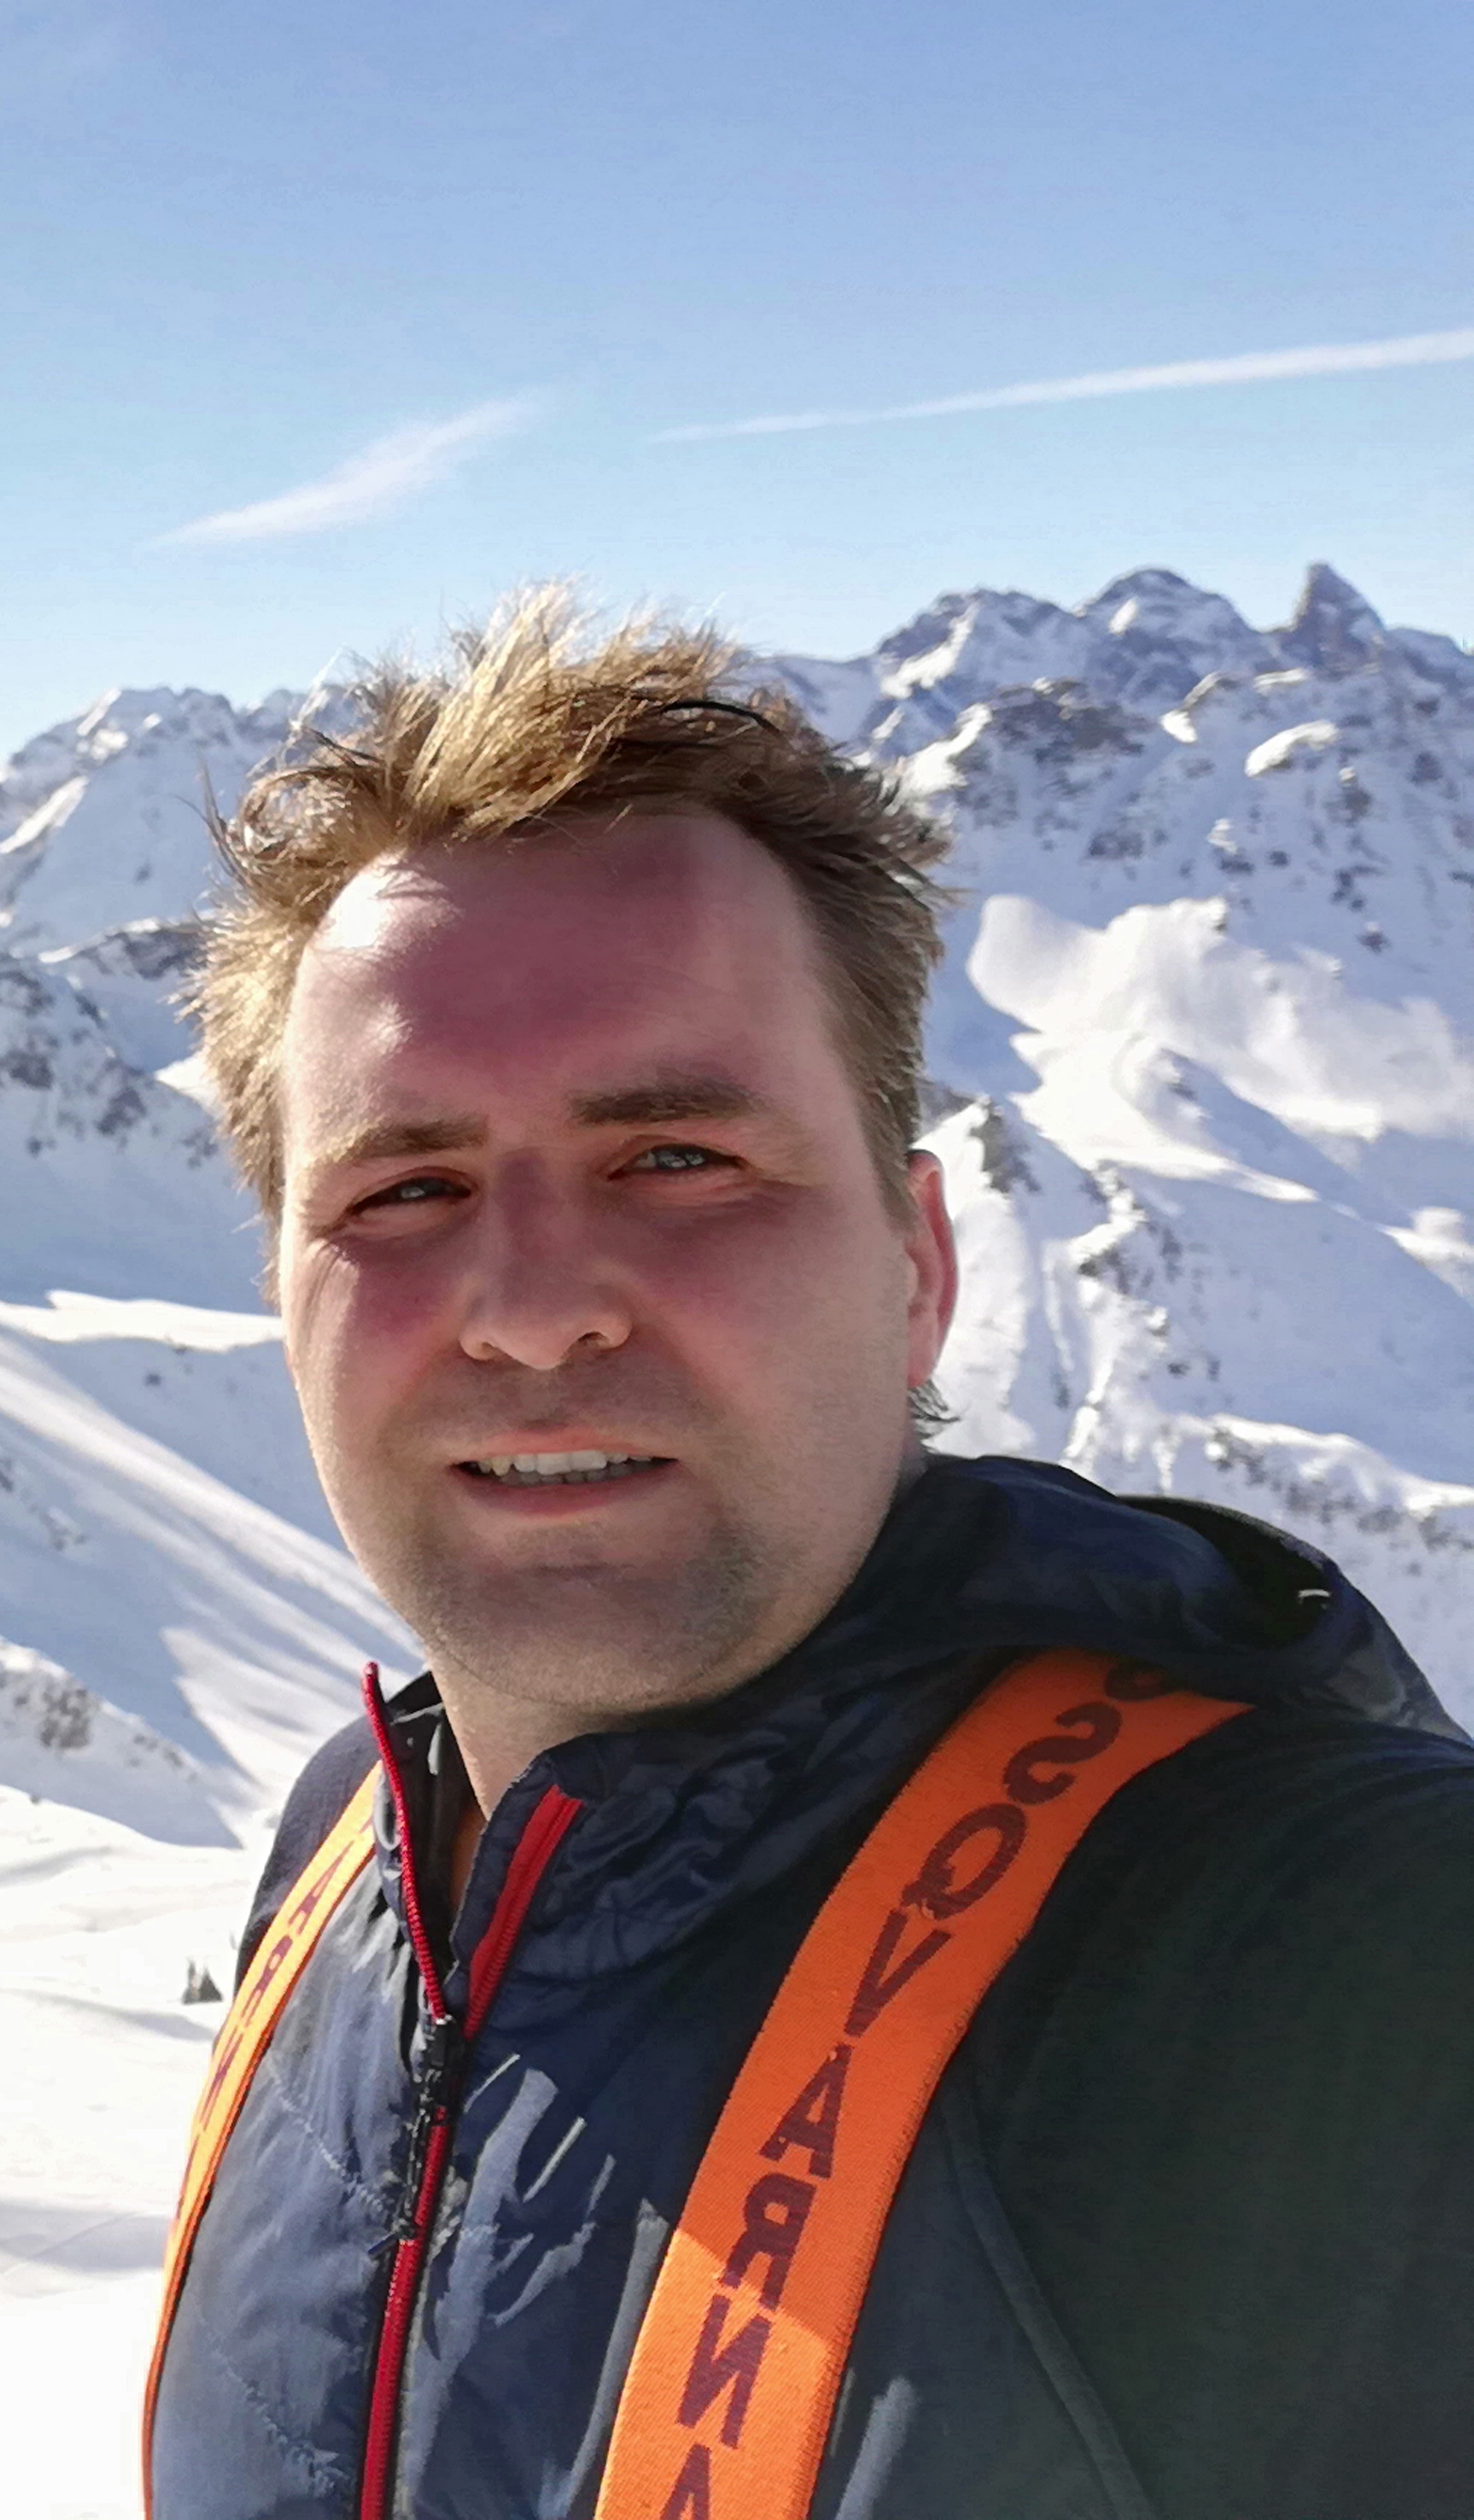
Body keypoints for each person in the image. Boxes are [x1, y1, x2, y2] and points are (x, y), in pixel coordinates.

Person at [141, 596, 1474, 2520]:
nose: (531, 1305)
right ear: (284, 1299)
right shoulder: (350, 1865)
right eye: (406, 1189)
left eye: (678, 1159)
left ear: (918, 1265)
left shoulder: (1328, 1955)